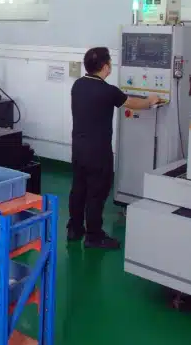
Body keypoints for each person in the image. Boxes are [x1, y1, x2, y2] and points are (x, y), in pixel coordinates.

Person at [68, 47, 161, 249]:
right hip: (98, 153)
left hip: (78, 149)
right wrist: (150, 101)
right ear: (105, 66)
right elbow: (132, 103)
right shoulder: (108, 91)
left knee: (78, 189)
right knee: (96, 193)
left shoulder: (78, 85)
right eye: (109, 62)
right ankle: (94, 236)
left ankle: (74, 229)